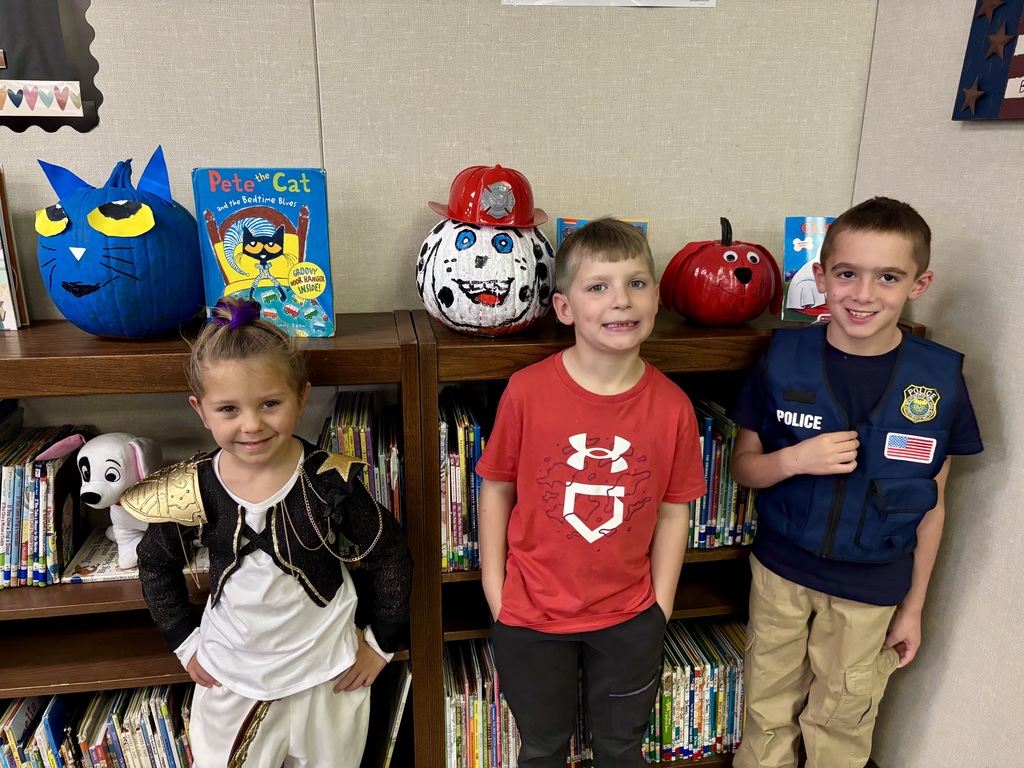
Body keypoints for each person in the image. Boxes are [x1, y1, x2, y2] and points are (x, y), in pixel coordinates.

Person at [729, 197, 983, 768]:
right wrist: (794, 461)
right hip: (780, 575)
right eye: (847, 273)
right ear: (821, 277)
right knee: (766, 711)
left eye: (887, 277)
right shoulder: (783, 356)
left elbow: (934, 505)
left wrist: (914, 605)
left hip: (871, 590)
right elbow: (744, 466)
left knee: (841, 721)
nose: (863, 294)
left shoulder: (938, 378)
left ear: (919, 284)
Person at [125, 297, 413, 768]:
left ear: (302, 396)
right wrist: (184, 640)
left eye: (270, 403)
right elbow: (156, 562)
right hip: (229, 679)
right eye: (229, 409)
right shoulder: (195, 487)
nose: (252, 424)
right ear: (201, 410)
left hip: (327, 677)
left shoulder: (329, 484)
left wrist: (382, 642)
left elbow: (390, 553)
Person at [476, 217, 707, 767]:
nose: (620, 301)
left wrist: (661, 606)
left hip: (629, 618)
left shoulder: (673, 406)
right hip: (530, 616)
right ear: (564, 308)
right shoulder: (527, 392)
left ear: (656, 298)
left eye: (636, 283)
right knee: (543, 747)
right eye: (598, 287)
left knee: (621, 749)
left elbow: (675, 513)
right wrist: (495, 587)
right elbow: (497, 487)